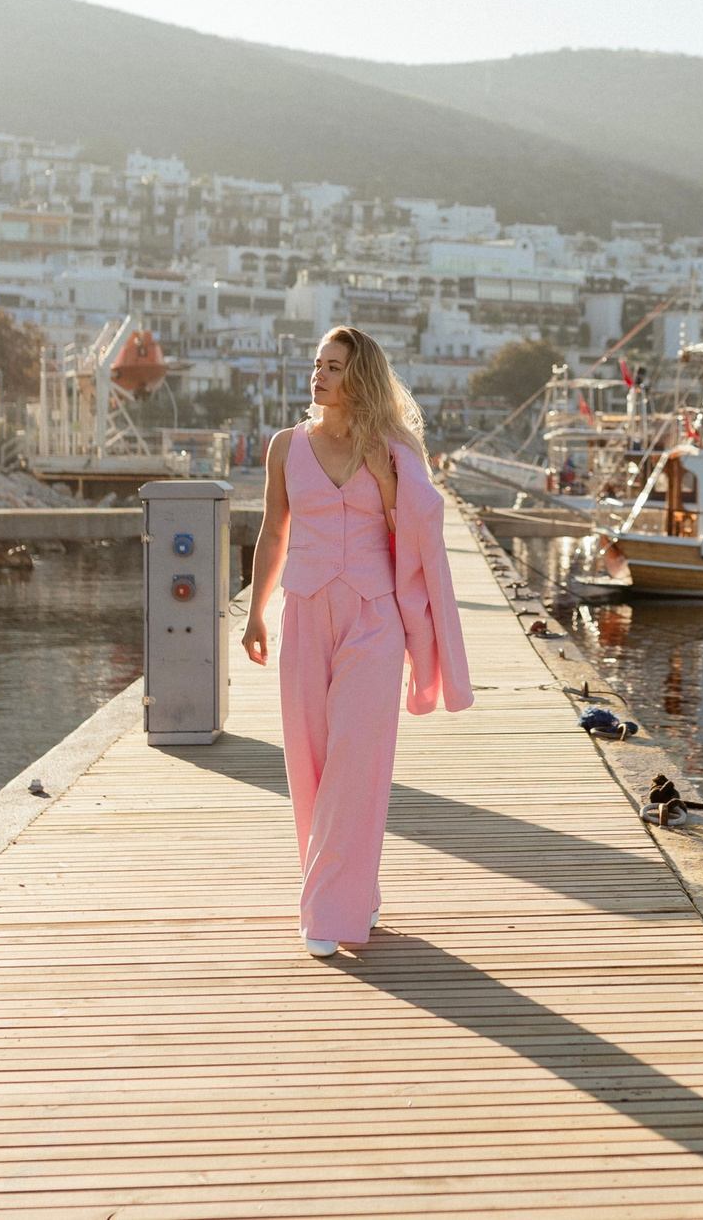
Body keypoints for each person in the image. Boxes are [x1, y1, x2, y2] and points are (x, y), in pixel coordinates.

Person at [243, 326, 472, 958]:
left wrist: (390, 480)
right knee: (309, 760)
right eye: (316, 364)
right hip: (306, 613)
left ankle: (325, 912)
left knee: (354, 757)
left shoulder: (394, 448)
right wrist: (255, 612)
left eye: (334, 366)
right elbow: (272, 533)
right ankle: (351, 886)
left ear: (360, 375)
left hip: (375, 619)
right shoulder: (285, 446)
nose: (319, 376)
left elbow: (418, 527)